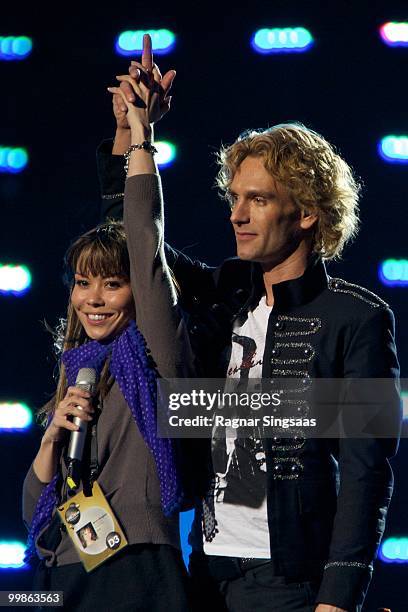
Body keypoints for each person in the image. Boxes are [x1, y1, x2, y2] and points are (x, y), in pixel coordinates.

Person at [100, 36, 401, 612]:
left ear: (308, 212)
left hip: (291, 584)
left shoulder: (359, 319)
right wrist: (131, 136)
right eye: (235, 197)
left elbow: (367, 474)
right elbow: (136, 246)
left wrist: (337, 599)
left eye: (257, 200)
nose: (236, 214)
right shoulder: (226, 297)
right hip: (207, 574)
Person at [22, 47, 196, 611]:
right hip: (65, 570)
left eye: (112, 286)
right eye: (83, 283)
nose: (94, 299)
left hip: (137, 570)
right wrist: (52, 438)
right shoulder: (78, 370)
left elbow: (139, 243)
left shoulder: (155, 354)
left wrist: (142, 141)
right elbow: (32, 508)